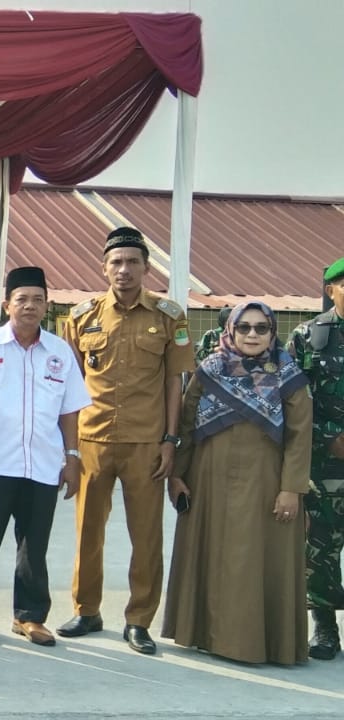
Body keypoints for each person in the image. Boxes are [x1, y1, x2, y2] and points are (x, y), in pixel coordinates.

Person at [58, 226, 194, 655]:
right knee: (87, 531)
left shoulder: (169, 316)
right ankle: (87, 609)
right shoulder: (80, 317)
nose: (124, 269)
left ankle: (139, 619)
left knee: (146, 534)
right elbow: (69, 385)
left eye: (133, 262)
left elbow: (176, 382)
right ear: (104, 267)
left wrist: (171, 440)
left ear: (146, 268)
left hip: (146, 442)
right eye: (116, 262)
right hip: (93, 438)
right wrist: (71, 448)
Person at [163, 301, 311, 665]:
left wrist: (291, 488)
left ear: (273, 333)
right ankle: (209, 637)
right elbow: (186, 424)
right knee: (215, 555)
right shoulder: (210, 370)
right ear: (230, 330)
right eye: (244, 327)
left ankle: (259, 644)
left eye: (261, 328)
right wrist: (177, 476)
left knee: (254, 559)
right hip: (209, 477)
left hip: (267, 481)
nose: (252, 335)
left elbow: (299, 434)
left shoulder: (288, 374)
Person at [0, 266, 90, 646]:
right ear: (6, 304)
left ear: (47, 305)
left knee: (35, 545)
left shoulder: (60, 352)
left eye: (37, 299)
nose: (30, 306)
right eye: (22, 299)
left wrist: (72, 456)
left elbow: (69, 410)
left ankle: (29, 617)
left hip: (44, 465)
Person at [287, 257, 344, 661]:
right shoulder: (307, 336)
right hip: (326, 466)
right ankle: (325, 629)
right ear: (331, 290)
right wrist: (331, 439)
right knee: (320, 551)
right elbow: (293, 400)